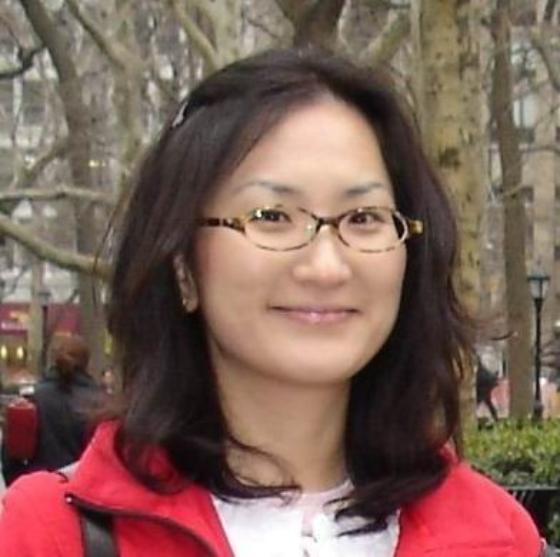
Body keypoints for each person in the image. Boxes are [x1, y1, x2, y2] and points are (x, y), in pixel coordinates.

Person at [0, 48, 543, 556]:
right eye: (272, 217)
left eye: (363, 218)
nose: (327, 266)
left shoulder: (497, 535)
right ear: (182, 265)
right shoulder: (50, 533)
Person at [1, 335, 101, 486]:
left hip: (39, 488)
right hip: (85, 490)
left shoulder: (33, 399)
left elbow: (11, 456)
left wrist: (22, 485)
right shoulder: (102, 404)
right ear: (87, 363)